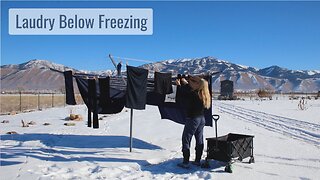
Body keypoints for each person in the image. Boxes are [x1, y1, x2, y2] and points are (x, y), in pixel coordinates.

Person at [176, 76, 211, 168]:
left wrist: (179, 86)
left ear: (199, 85)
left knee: (186, 139)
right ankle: (197, 160)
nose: (194, 83)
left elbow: (183, 95)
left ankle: (186, 162)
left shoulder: (194, 94)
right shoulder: (204, 94)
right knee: (199, 139)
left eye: (196, 83)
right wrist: (185, 83)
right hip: (201, 119)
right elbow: (190, 89)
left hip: (193, 119)